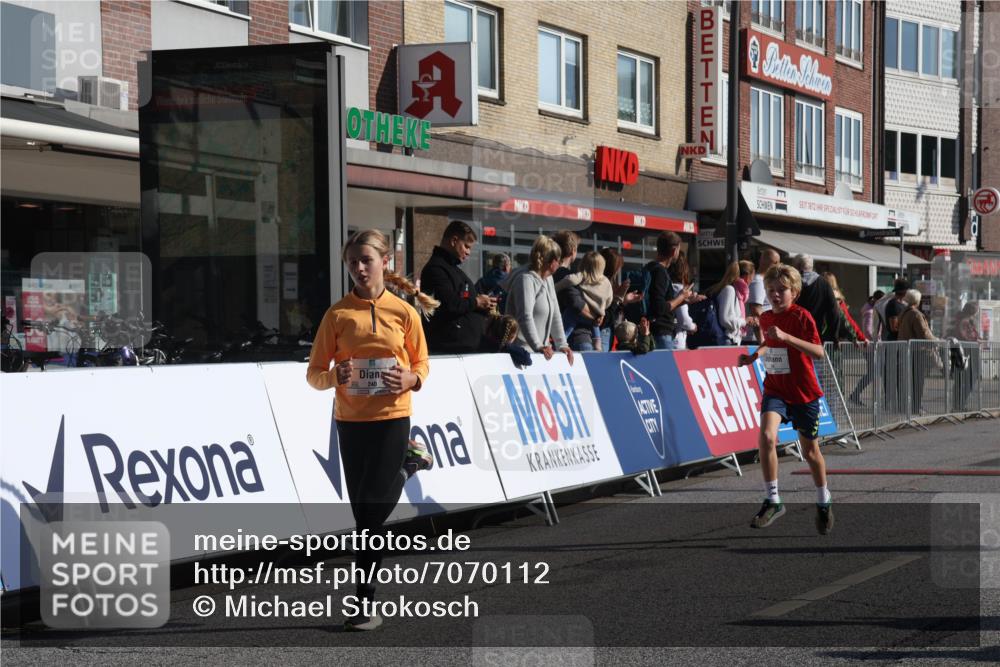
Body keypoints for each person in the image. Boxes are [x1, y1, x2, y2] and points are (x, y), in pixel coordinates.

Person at [306, 229, 439, 631]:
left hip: (393, 418)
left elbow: (423, 365)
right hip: (350, 423)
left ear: (385, 261)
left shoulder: (404, 313)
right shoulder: (337, 315)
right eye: (352, 263)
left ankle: (362, 605)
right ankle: (410, 465)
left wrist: (411, 381)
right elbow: (313, 374)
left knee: (371, 518)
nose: (359, 268)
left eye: (366, 260)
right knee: (364, 513)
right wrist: (336, 375)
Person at [737, 263, 833, 535]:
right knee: (766, 437)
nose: (775, 295)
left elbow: (818, 352)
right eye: (770, 290)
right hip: (775, 389)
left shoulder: (802, 317)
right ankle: (773, 500)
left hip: (803, 393)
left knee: (810, 452)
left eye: (782, 290)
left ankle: (824, 498)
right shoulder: (766, 318)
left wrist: (787, 336)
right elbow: (770, 343)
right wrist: (754, 356)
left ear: (795, 292)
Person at [419, 221, 494, 354]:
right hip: (448, 351)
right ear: (454, 241)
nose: (468, 252)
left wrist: (484, 306)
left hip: (463, 348)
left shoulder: (453, 270)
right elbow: (449, 304)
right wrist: (477, 302)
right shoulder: (436, 269)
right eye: (466, 246)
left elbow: (462, 303)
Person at [503, 235, 574, 365]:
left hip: (540, 352)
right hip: (522, 354)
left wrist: (562, 344)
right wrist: (538, 346)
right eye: (558, 261)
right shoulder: (525, 280)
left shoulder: (548, 279)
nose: (559, 264)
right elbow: (525, 317)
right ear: (551, 262)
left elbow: (555, 314)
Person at [645, 231, 699, 350]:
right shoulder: (660, 272)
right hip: (661, 333)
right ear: (674, 251)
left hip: (650, 330)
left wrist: (684, 301)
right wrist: (680, 297)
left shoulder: (649, 267)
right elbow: (660, 308)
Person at [556, 251, 614, 351]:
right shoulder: (606, 281)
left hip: (580, 313)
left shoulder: (583, 275)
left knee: (569, 316)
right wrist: (603, 309)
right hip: (596, 316)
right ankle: (597, 341)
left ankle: (561, 341)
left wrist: (556, 287)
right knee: (595, 324)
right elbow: (610, 298)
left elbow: (570, 280)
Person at [897, 288, 937, 416]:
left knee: (911, 380)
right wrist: (937, 341)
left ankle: (911, 406)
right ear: (918, 301)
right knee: (918, 381)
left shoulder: (904, 313)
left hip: (907, 350)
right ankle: (916, 406)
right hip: (918, 351)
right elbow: (924, 334)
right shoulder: (916, 314)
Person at [789, 254, 844, 343]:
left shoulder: (790, 283)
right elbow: (833, 311)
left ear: (798, 266)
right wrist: (834, 336)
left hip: (792, 334)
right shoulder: (824, 284)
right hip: (816, 335)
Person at [598, 247, 641, 351]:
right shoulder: (603, 283)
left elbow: (613, 309)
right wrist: (620, 298)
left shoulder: (608, 283)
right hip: (603, 330)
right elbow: (606, 311)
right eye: (618, 266)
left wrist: (624, 300)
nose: (618, 270)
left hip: (607, 329)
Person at [705, 262, 746, 346]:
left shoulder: (734, 292)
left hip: (729, 340)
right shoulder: (729, 290)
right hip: (726, 340)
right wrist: (744, 321)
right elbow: (725, 319)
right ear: (746, 277)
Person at [951, 302, 981, 411]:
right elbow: (965, 336)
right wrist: (976, 340)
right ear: (972, 311)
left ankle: (960, 405)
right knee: (966, 379)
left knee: (964, 379)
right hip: (967, 352)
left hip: (966, 351)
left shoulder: (965, 320)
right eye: (976, 310)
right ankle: (959, 405)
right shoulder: (965, 321)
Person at [746, 248, 780, 341]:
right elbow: (756, 310)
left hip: (762, 335)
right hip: (756, 338)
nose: (778, 265)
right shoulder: (758, 282)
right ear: (764, 261)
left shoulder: (763, 281)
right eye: (776, 262)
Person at [669, 255, 697, 350]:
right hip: (676, 339)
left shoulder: (667, 286)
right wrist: (693, 326)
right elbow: (684, 319)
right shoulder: (679, 289)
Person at [737, 260, 756, 342]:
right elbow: (726, 319)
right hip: (732, 337)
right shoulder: (733, 289)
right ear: (747, 275)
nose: (753, 279)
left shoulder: (741, 291)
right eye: (753, 275)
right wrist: (745, 321)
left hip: (738, 335)